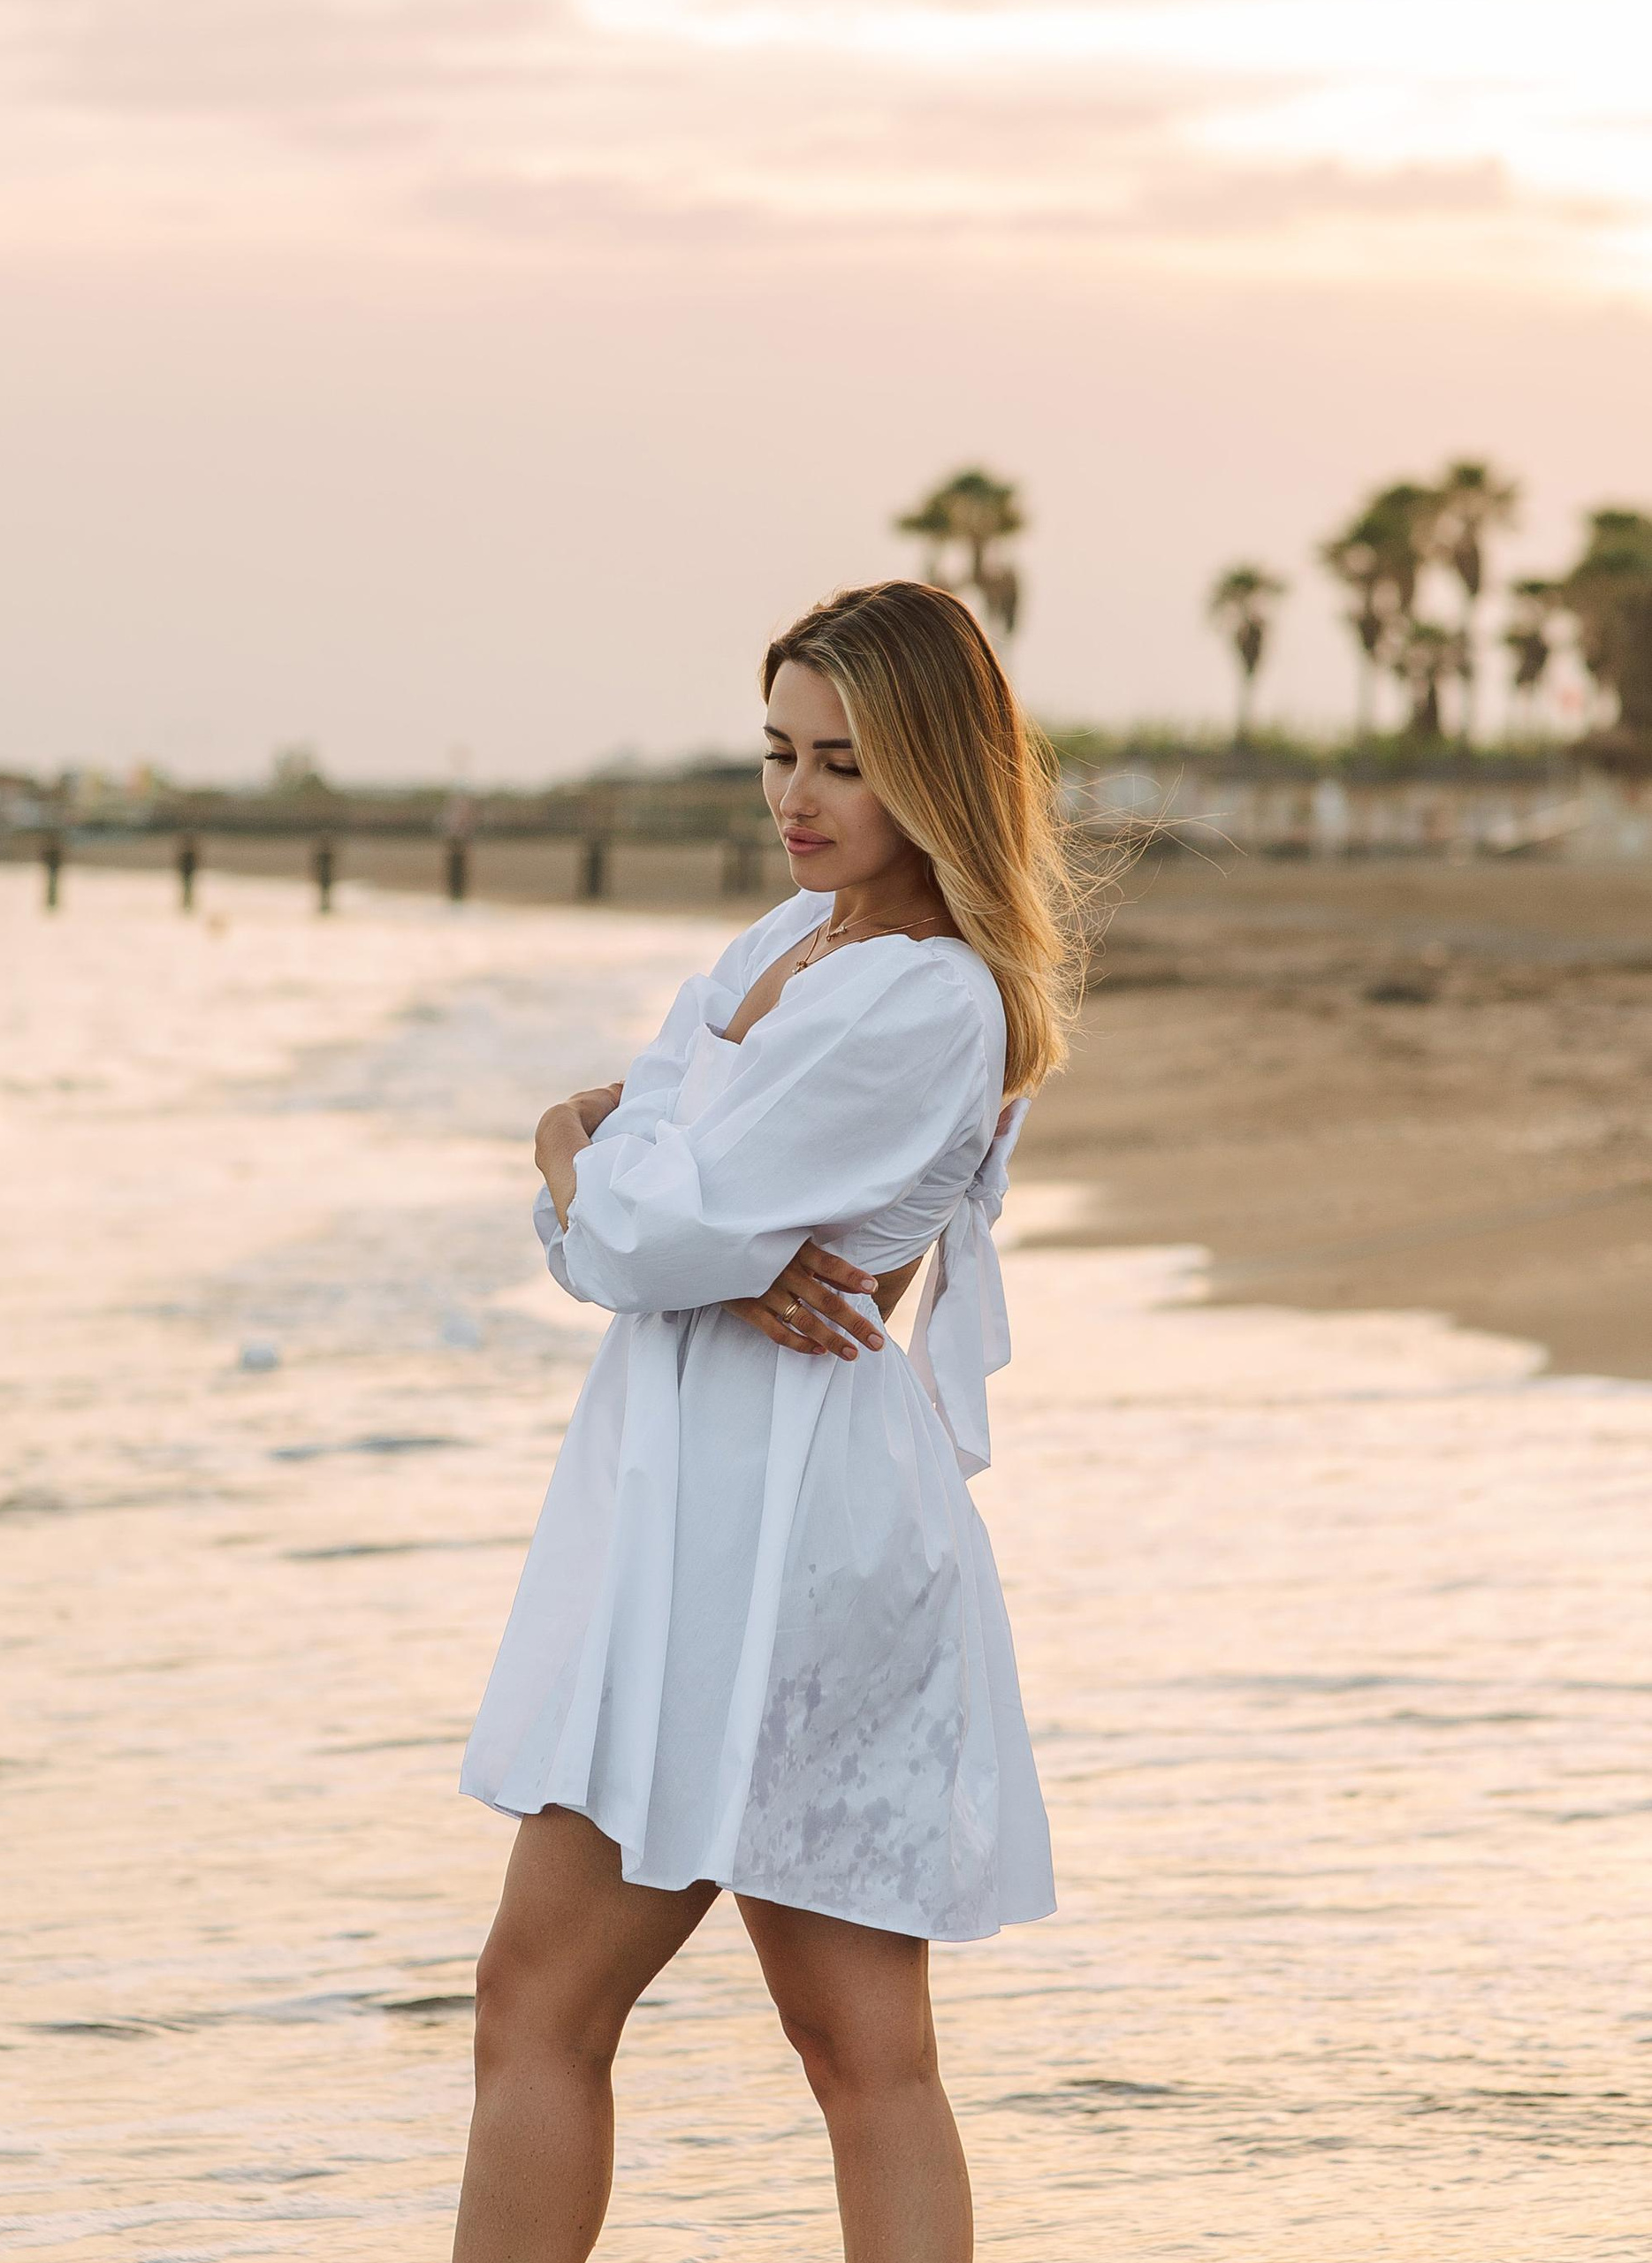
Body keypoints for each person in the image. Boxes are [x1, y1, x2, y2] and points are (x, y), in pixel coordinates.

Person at [453, 580, 1089, 2262]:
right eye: (779, 754)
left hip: (796, 1537)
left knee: (837, 2048)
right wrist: (635, 1197)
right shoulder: (779, 950)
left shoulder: (929, 997)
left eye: (846, 764)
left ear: (938, 774)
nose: (797, 800)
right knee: (568, 2005)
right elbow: (643, 1217)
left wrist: (603, 1174)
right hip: (692, 1511)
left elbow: (638, 1210)